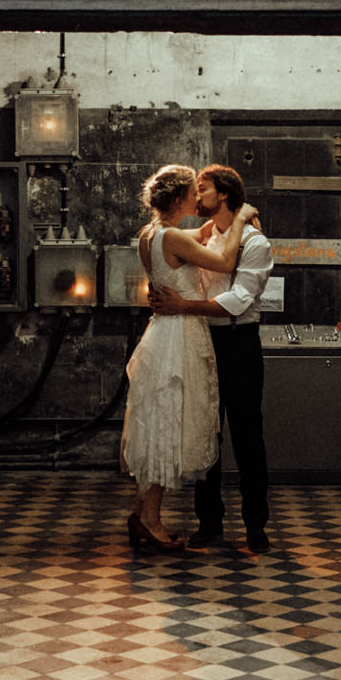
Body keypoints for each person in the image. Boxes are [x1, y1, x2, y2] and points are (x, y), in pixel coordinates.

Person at [119, 164, 258, 553]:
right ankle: (149, 519)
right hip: (179, 333)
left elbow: (191, 241)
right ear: (181, 199)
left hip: (162, 332)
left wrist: (213, 227)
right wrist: (242, 218)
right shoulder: (174, 237)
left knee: (158, 419)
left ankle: (144, 512)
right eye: (193, 193)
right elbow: (227, 262)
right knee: (169, 421)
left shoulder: (152, 233)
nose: (199, 198)